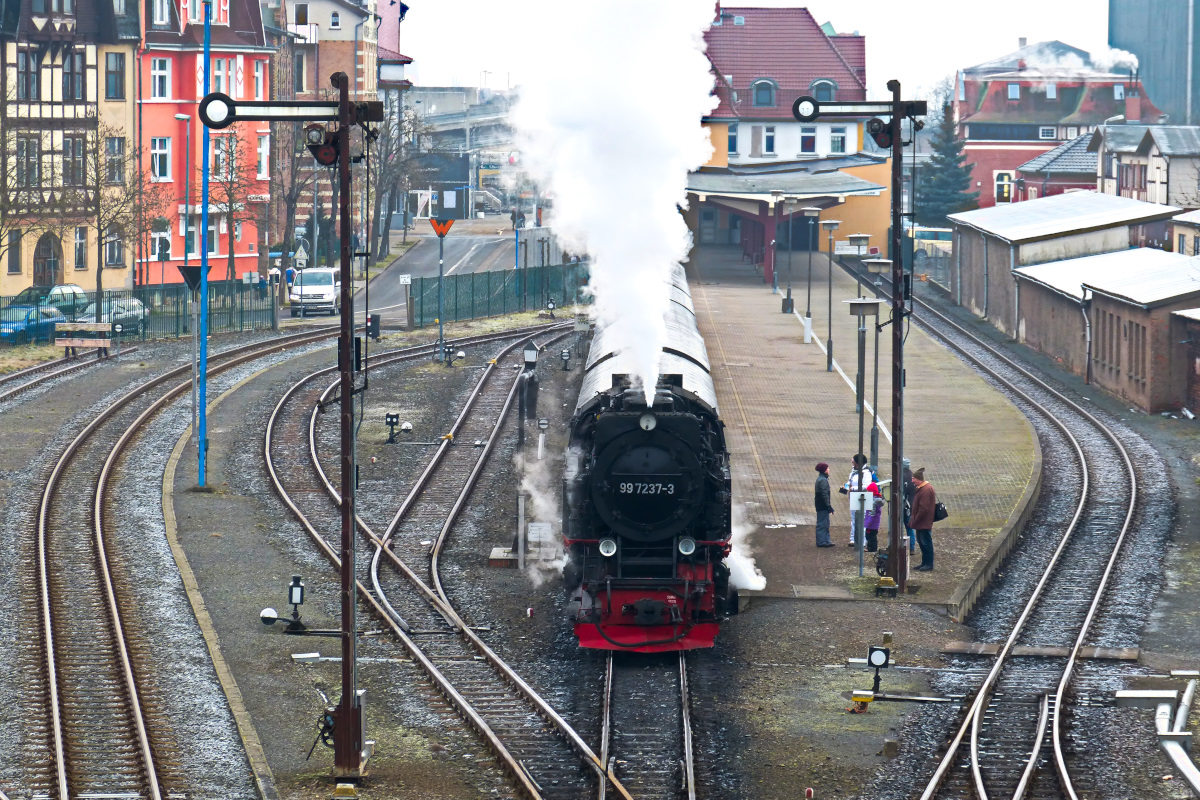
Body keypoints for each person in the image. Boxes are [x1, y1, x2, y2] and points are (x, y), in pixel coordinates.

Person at [840, 454, 872, 547]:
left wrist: (852, 488)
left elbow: (867, 486)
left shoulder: (866, 473)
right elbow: (850, 482)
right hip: (854, 497)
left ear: (858, 463)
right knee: (854, 519)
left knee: (863, 519)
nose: (851, 462)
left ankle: (863, 540)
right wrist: (845, 487)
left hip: (863, 497)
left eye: (853, 461)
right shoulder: (853, 471)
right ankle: (853, 539)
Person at [909, 467, 937, 571]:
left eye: (913, 479)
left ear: (918, 479)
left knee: (926, 543)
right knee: (922, 542)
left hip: (923, 522)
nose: (912, 481)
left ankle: (928, 564)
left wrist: (915, 519)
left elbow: (924, 508)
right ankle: (925, 563)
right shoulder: (923, 488)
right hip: (922, 522)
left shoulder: (925, 490)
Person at [814, 462, 834, 547]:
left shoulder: (821, 479)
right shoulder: (823, 480)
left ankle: (825, 540)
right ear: (824, 470)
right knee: (822, 523)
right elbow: (825, 494)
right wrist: (828, 506)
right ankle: (822, 541)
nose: (828, 470)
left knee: (824, 522)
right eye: (827, 468)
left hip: (820, 504)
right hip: (822, 505)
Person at [863, 477, 883, 552]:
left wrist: (869, 522)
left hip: (871, 523)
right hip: (875, 523)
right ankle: (871, 547)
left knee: (870, 536)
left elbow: (871, 513)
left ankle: (871, 548)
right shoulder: (877, 500)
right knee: (872, 535)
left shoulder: (872, 501)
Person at [902, 457, 916, 555]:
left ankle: (905, 546)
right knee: (910, 527)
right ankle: (912, 547)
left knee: (902, 526)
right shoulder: (912, 475)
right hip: (911, 504)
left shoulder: (902, 475)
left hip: (904, 505)